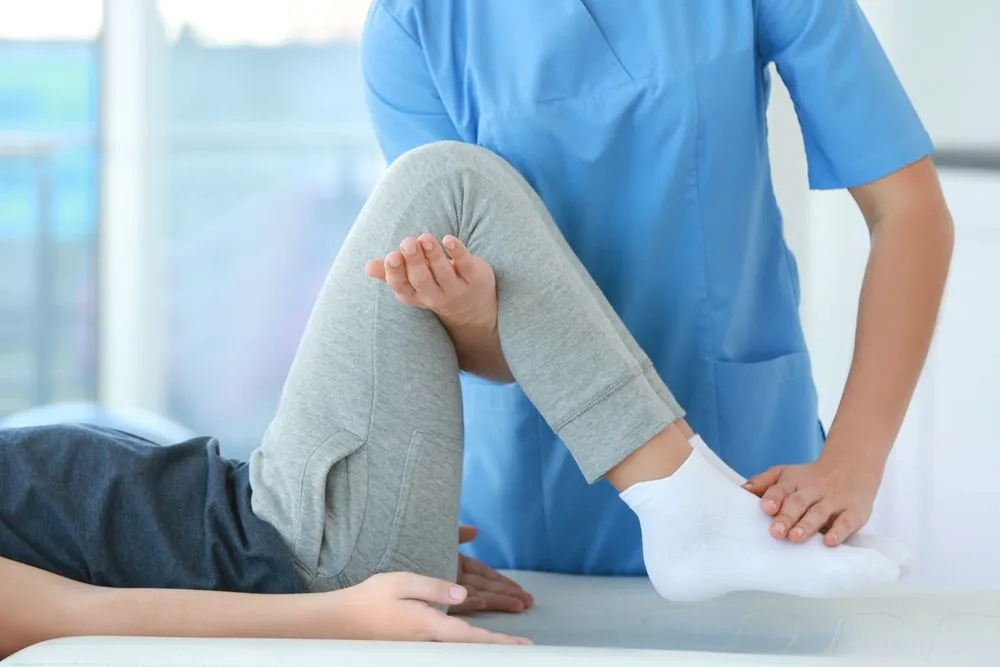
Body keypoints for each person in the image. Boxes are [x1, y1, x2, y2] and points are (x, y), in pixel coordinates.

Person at [1, 142, 902, 658]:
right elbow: (76, 619)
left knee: (449, 201)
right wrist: (339, 610)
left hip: (271, 523)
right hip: (279, 549)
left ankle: (686, 501)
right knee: (446, 187)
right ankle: (685, 505)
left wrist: (380, 524)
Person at [359, 0, 955, 575]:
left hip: (750, 473)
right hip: (535, 499)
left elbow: (907, 210)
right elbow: (465, 323)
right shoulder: (413, 20)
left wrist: (855, 458)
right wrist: (470, 313)